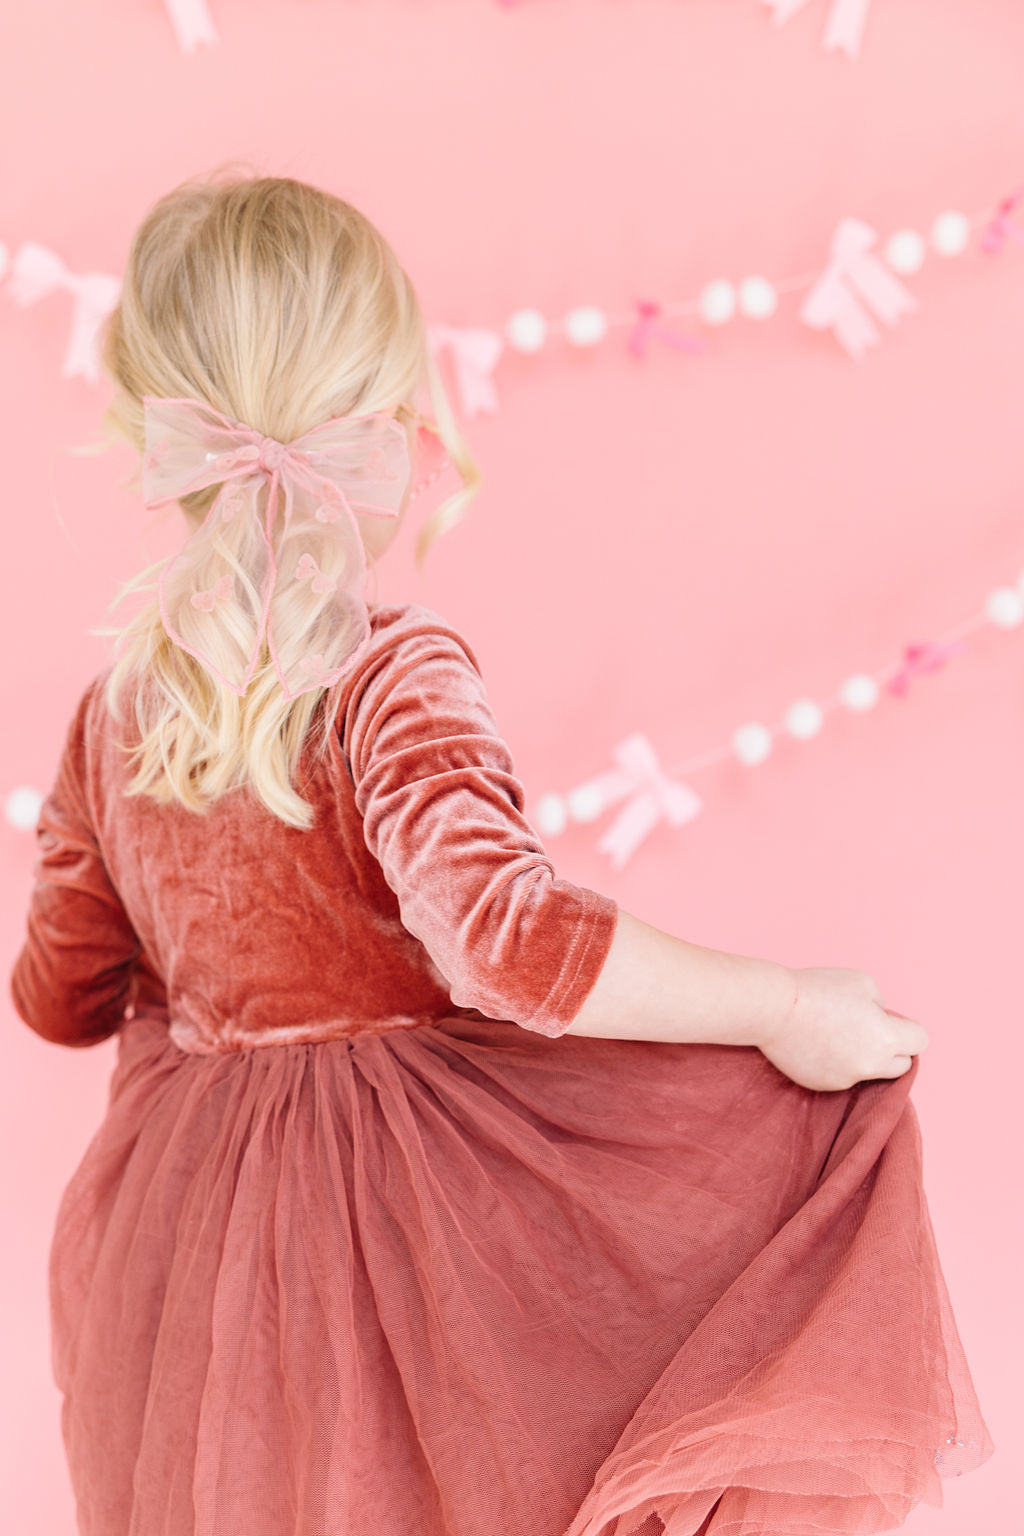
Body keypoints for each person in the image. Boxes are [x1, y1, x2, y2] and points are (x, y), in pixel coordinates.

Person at [9, 167, 993, 1536]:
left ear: (155, 430)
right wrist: (781, 1008)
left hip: (196, 1246)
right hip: (401, 1227)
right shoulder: (387, 676)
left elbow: (59, 998)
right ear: (386, 418)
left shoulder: (116, 716)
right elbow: (507, 945)